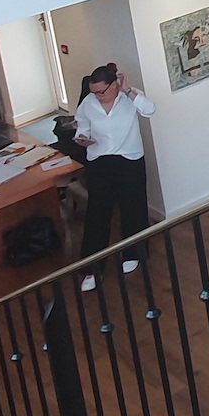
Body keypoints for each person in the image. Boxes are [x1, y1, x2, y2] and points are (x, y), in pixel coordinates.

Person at [74, 62, 155, 293]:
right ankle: (92, 267)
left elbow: (150, 110)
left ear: (114, 85)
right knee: (97, 213)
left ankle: (133, 253)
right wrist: (82, 137)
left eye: (101, 91)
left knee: (133, 207)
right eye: (94, 92)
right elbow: (82, 125)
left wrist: (128, 90)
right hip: (99, 160)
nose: (97, 96)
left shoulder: (130, 97)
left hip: (129, 158)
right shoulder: (88, 103)